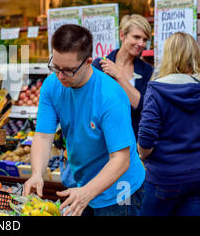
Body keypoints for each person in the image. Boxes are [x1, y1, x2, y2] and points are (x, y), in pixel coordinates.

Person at [23, 24, 145, 216]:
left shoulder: (110, 96)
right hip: (82, 184)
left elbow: (121, 160)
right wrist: (37, 173)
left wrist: (87, 192)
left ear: (88, 62)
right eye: (56, 67)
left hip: (121, 190)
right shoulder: (51, 84)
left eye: (68, 70)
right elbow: (43, 136)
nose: (60, 75)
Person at [138, 32, 200, 216]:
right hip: (196, 176)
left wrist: (144, 155)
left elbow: (145, 141)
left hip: (164, 178)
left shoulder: (157, 89)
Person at [92, 14, 153, 139]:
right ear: (122, 35)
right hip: (103, 138)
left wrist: (119, 76)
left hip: (133, 138)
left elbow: (141, 106)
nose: (141, 43)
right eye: (136, 37)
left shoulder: (147, 70)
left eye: (145, 39)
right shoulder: (99, 65)